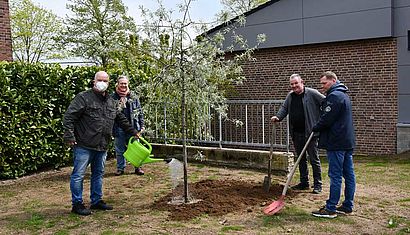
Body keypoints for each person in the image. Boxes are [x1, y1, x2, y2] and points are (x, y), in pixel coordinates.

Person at [63, 71, 139, 216]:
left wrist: (133, 131)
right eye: (100, 80)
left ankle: (96, 200)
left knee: (98, 174)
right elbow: (69, 117)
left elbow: (120, 118)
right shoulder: (83, 98)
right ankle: (77, 204)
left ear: (109, 83)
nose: (102, 83)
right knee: (78, 175)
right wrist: (69, 136)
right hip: (84, 144)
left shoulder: (111, 101)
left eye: (105, 80)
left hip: (102, 144)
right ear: (94, 81)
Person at [311, 71, 356, 219]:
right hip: (346, 141)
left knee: (335, 175)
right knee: (348, 174)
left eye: (324, 83)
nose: (322, 86)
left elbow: (327, 118)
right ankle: (347, 206)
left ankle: (330, 208)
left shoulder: (335, 96)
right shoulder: (343, 95)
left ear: (334, 80)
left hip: (337, 142)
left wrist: (315, 127)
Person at [271, 74, 324, 194]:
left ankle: (318, 184)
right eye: (292, 84)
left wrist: (322, 118)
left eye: (296, 83)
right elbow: (284, 108)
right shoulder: (290, 96)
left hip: (310, 133)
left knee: (314, 159)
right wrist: (278, 117)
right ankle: (304, 183)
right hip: (296, 133)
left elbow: (325, 102)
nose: (294, 86)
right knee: (301, 159)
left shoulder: (312, 93)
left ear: (302, 82)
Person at [112, 75, 145, 176]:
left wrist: (142, 126)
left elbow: (139, 111)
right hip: (119, 128)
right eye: (121, 83)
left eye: (125, 83)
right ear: (117, 84)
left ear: (128, 84)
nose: (123, 85)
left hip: (133, 127)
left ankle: (138, 167)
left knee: (136, 149)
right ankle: (120, 168)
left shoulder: (133, 96)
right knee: (119, 149)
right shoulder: (112, 97)